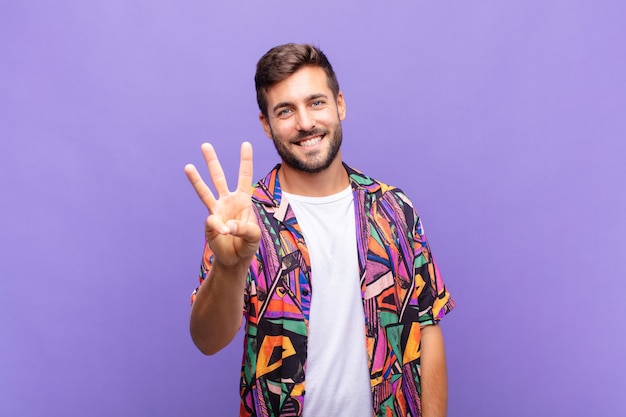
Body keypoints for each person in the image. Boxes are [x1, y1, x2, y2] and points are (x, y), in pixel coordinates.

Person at [184, 43, 455, 417]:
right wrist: (230, 268)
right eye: (285, 110)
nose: (305, 123)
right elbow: (208, 341)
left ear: (339, 104)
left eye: (316, 103)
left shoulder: (394, 209)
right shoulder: (246, 220)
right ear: (266, 125)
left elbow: (427, 326)